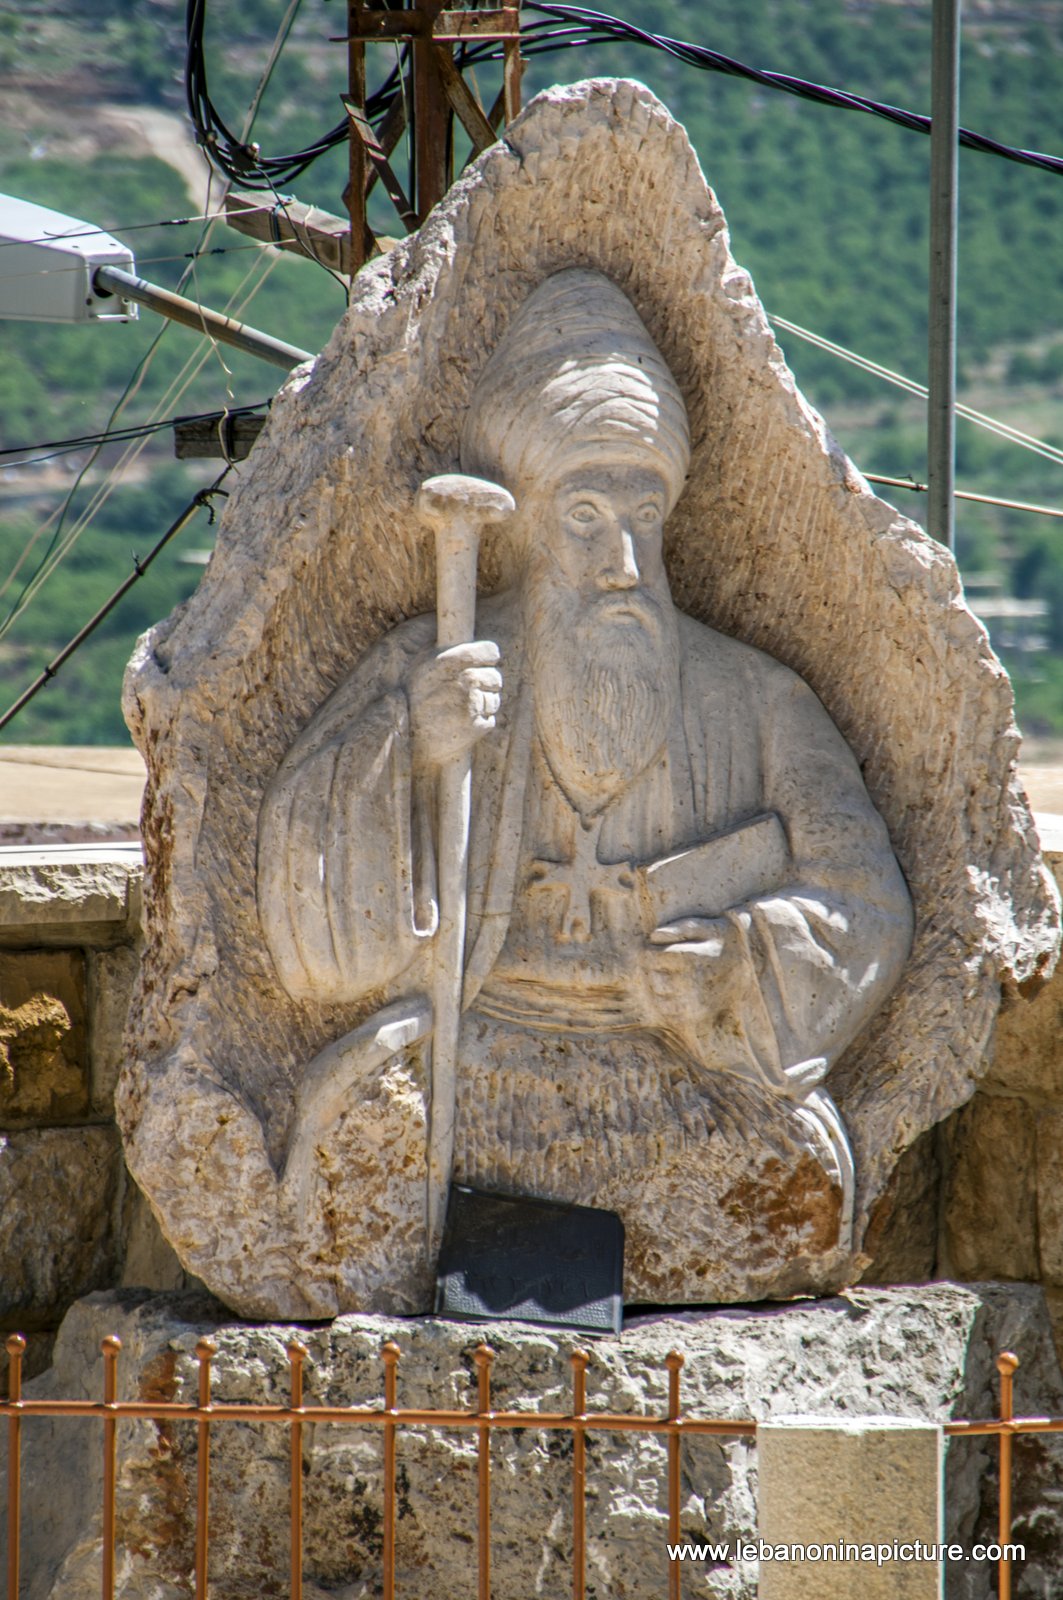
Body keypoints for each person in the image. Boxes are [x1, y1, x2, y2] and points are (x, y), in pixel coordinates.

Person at [258, 269, 914, 1303]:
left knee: (796, 1193)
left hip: (673, 1077)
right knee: (351, 1166)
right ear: (524, 524)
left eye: (642, 512)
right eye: (582, 514)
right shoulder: (432, 668)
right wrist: (409, 750)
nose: (619, 557)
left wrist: (735, 964)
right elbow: (309, 939)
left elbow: (865, 898)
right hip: (479, 1065)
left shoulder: (758, 699)